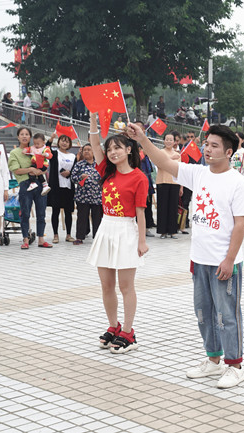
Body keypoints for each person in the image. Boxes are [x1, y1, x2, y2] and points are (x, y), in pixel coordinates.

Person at [133, 123, 244, 388]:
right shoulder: (197, 174)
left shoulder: (237, 182)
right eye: (206, 144)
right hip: (200, 260)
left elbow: (241, 224)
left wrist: (230, 259)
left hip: (224, 262)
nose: (207, 149)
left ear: (229, 151)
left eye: (214, 146)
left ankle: (235, 365)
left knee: (227, 315)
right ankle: (213, 360)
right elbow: (161, 159)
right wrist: (142, 138)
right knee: (203, 313)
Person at [86, 113, 149, 354]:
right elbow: (94, 143)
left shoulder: (139, 177)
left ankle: (129, 332)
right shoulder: (106, 171)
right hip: (106, 228)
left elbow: (141, 213)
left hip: (126, 230)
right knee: (106, 285)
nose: (113, 153)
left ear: (129, 150)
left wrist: (142, 241)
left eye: (118, 148)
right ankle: (114, 326)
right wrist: (93, 121)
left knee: (125, 286)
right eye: (110, 149)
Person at [8, 127, 52, 249]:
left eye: (27, 134)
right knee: (25, 212)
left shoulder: (36, 149)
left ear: (30, 137)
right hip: (25, 184)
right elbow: (16, 169)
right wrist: (31, 170)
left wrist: (40, 171)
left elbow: (45, 164)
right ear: (18, 137)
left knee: (41, 212)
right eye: (21, 134)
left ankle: (41, 239)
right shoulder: (15, 153)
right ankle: (25, 239)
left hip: (40, 183)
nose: (24, 136)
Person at [47, 133, 76, 243]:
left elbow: (75, 170)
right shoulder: (54, 154)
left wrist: (69, 173)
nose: (64, 143)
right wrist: (50, 140)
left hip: (68, 187)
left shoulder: (73, 156)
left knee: (69, 212)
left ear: (69, 144)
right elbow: (46, 149)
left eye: (67, 141)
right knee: (56, 211)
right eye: (62, 140)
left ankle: (68, 234)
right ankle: (55, 235)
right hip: (56, 187)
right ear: (58, 142)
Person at [71, 143, 103, 245]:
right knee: (82, 217)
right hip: (82, 196)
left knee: (97, 218)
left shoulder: (99, 164)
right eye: (85, 150)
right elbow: (72, 178)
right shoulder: (79, 164)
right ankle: (80, 237)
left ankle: (97, 237)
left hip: (97, 196)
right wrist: (80, 177)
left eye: (89, 149)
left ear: (94, 152)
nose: (87, 151)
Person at [155, 132, 181, 238]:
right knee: (162, 207)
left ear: (174, 142)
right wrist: (170, 160)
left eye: (171, 140)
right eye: (167, 139)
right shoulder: (160, 152)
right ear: (164, 141)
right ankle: (162, 231)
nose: (169, 141)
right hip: (162, 182)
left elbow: (177, 168)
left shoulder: (178, 154)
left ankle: (173, 231)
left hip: (174, 182)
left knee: (173, 207)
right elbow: (160, 164)